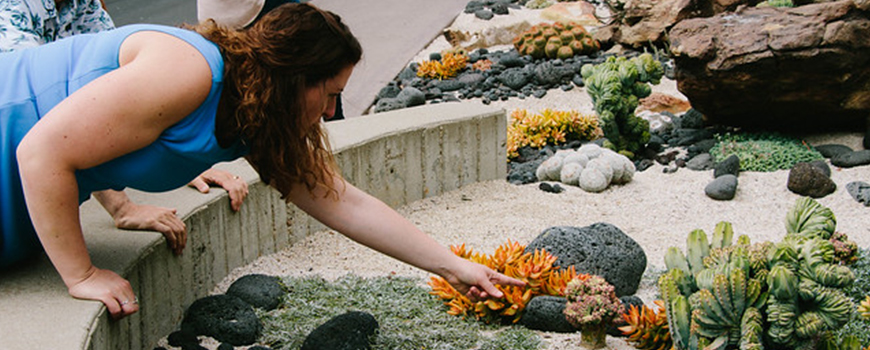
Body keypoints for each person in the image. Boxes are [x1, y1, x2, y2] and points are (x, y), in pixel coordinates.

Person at [0, 2, 523, 320]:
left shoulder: (254, 118)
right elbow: (40, 148)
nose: (333, 110)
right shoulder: (190, 69)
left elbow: (343, 203)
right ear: (297, 77)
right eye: (332, 92)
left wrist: (452, 266)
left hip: (22, 203)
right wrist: (82, 273)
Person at [0, 0, 252, 251]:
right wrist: (122, 208)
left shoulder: (82, 5)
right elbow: (56, 128)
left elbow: (117, 99)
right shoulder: (12, 11)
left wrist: (182, 157)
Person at [197, 0, 345, 121]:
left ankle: (333, 125)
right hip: (241, 11)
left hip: (220, 14)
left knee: (318, 49)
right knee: (318, 46)